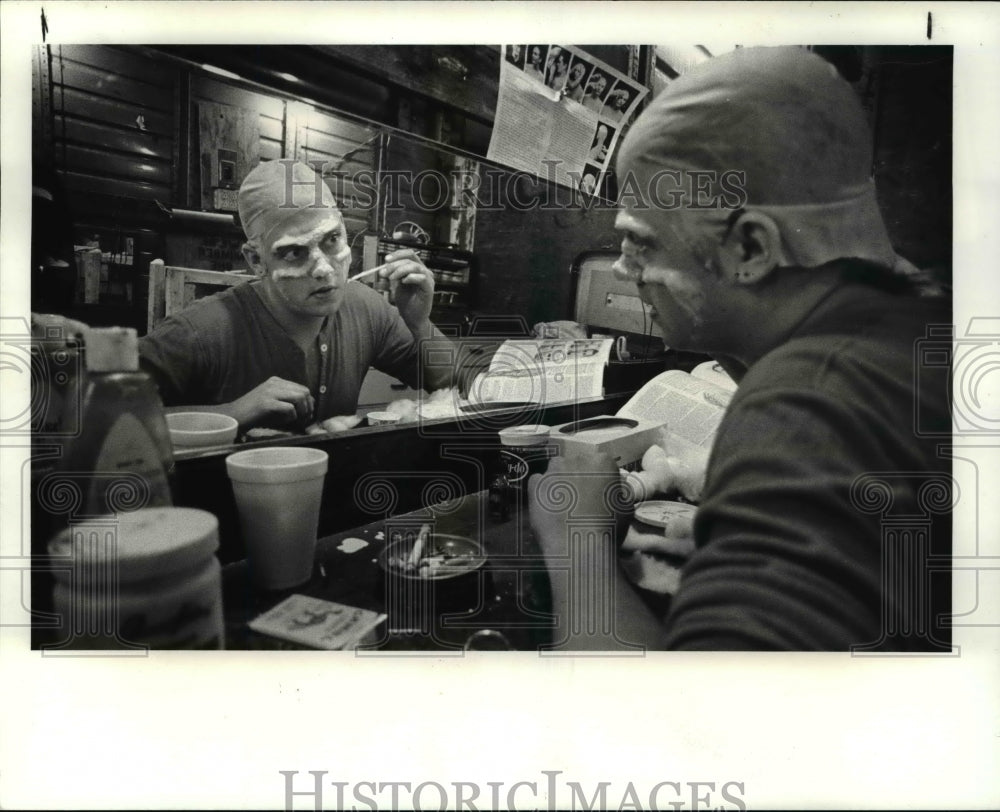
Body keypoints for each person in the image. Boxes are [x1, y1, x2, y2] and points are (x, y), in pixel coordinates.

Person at [528, 46, 952, 652]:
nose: (623, 271)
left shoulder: (809, 401)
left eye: (641, 244)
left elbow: (665, 734)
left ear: (751, 249)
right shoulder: (916, 325)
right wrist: (748, 551)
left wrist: (577, 541)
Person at [139, 159, 455, 431]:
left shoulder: (365, 308)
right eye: (293, 252)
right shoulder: (202, 331)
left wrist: (420, 323)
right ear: (257, 261)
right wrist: (232, 413)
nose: (323, 269)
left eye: (332, 239)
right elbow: (98, 417)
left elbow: (460, 383)